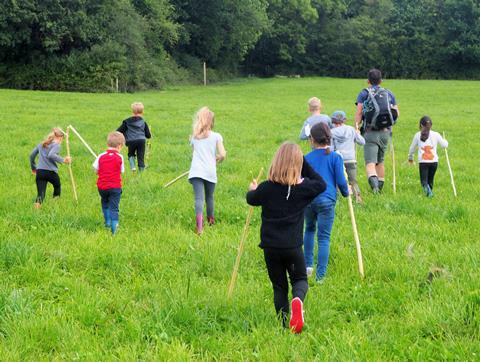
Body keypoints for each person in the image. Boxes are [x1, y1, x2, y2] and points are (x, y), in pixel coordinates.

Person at [246, 142, 326, 333]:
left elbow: (251, 198)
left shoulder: (265, 188)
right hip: (292, 246)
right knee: (299, 279)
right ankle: (297, 301)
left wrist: (252, 188)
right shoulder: (304, 189)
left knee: (279, 286)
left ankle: (283, 326)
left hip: (270, 247)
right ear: (298, 165)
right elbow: (321, 184)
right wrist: (301, 161)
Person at [304, 123, 349, 282]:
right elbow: (341, 181)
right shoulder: (335, 157)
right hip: (327, 200)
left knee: (309, 229)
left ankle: (308, 266)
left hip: (308, 200)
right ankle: (320, 277)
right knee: (323, 238)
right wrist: (346, 193)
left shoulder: (306, 158)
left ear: (312, 140)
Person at [355, 69, 399, 193]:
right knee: (380, 161)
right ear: (381, 80)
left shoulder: (364, 93)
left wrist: (357, 127)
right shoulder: (389, 93)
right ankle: (379, 189)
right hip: (386, 132)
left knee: (370, 163)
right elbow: (396, 113)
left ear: (367, 81)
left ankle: (374, 189)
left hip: (370, 132)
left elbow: (359, 113)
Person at [188, 107, 226, 235]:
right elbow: (223, 154)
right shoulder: (216, 136)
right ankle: (211, 221)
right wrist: (219, 158)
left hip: (196, 171)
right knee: (209, 197)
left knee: (198, 198)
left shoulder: (194, 137)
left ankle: (199, 227)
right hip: (209, 171)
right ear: (211, 121)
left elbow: (194, 153)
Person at [29, 127, 72, 208]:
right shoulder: (57, 145)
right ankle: (55, 205)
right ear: (60, 137)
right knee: (57, 186)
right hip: (51, 172)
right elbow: (51, 155)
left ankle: (36, 211)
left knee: (41, 194)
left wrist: (34, 168)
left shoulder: (41, 144)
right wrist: (63, 160)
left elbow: (31, 156)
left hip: (40, 172)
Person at [92, 131, 126, 235]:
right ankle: (114, 230)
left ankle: (107, 222)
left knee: (105, 203)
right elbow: (121, 171)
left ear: (108, 144)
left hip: (102, 186)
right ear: (120, 146)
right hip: (115, 187)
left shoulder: (101, 156)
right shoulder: (120, 157)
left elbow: (95, 170)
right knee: (114, 207)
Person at [408, 116, 448, 197]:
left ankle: (429, 194)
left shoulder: (417, 135)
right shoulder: (436, 134)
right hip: (434, 162)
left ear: (421, 125)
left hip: (423, 163)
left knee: (424, 182)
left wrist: (410, 158)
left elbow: (412, 148)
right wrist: (445, 140)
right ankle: (429, 194)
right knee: (430, 180)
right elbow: (444, 145)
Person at [331, 110, 365, 203]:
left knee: (336, 181)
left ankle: (336, 200)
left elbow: (331, 148)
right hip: (351, 160)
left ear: (333, 121)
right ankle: (358, 199)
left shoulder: (331, 132)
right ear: (344, 120)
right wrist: (357, 133)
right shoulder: (351, 129)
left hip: (338, 160)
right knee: (353, 181)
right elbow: (362, 142)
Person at [117, 102, 151, 172]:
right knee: (140, 156)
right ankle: (141, 171)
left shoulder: (127, 121)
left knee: (131, 154)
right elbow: (148, 136)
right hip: (141, 141)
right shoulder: (143, 122)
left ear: (132, 111)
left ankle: (133, 168)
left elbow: (118, 131)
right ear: (142, 112)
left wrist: (124, 135)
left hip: (131, 141)